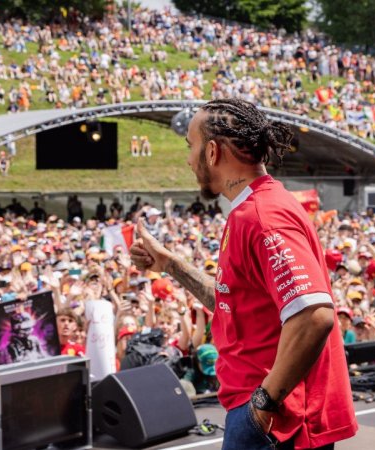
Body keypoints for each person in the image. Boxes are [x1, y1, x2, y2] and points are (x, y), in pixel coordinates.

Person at [131, 98, 357, 449]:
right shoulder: (254, 210)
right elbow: (231, 302)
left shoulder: (262, 217)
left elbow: (315, 316)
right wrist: (171, 264)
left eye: (191, 147)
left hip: (277, 418)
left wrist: (264, 403)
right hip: (268, 411)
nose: (189, 159)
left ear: (212, 152)